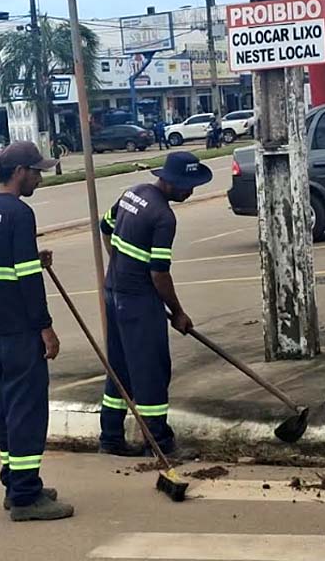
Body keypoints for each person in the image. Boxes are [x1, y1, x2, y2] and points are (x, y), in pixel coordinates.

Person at [0, 141, 74, 522]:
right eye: (37, 171)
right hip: (21, 329)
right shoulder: (18, 212)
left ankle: (15, 483)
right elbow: (28, 280)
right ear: (19, 173)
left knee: (7, 406)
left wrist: (31, 257)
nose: (40, 178)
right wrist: (44, 327)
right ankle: (27, 498)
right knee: (28, 409)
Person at [97, 151, 213, 457]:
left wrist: (119, 264)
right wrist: (178, 312)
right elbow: (159, 274)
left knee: (119, 367)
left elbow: (105, 227)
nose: (191, 190)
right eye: (187, 184)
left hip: (113, 292)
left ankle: (110, 437)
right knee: (151, 371)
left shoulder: (132, 193)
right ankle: (159, 443)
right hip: (138, 301)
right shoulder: (163, 217)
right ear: (171, 181)